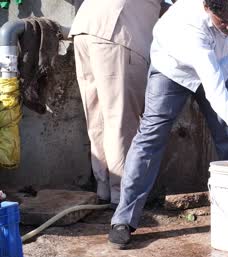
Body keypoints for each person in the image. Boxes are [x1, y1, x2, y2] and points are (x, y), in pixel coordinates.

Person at [109, 0, 228, 249]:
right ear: (207, 8)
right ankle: (123, 220)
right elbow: (215, 92)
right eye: (222, 22)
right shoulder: (191, 21)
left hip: (218, 65)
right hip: (171, 69)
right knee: (150, 138)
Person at [69, 0, 170, 207]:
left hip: (85, 29)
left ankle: (104, 189)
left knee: (96, 115)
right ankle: (123, 197)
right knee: (120, 119)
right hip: (118, 32)